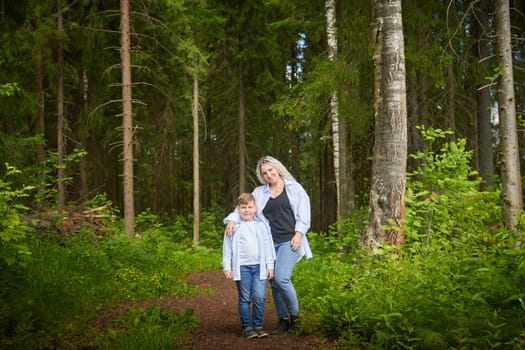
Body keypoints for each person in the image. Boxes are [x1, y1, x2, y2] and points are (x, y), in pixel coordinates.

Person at [225, 156, 312, 335]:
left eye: (271, 170)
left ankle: (295, 317)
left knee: (281, 278)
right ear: (261, 176)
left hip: (290, 240)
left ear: (278, 169)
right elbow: (243, 207)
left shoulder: (294, 189)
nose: (268, 174)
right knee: (273, 281)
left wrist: (298, 234)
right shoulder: (259, 192)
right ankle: (283, 320)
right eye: (264, 173)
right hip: (269, 244)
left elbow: (304, 215)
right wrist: (232, 221)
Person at [222, 192, 276, 339]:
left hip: (259, 267)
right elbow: (227, 248)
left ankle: (258, 325)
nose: (246, 210)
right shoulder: (233, 227)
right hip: (242, 267)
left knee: (259, 297)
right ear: (238, 209)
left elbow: (268, 246)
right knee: (245, 297)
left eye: (250, 207)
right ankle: (247, 327)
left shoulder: (261, 226)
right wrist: (227, 266)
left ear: (255, 208)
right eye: (243, 207)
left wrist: (270, 265)